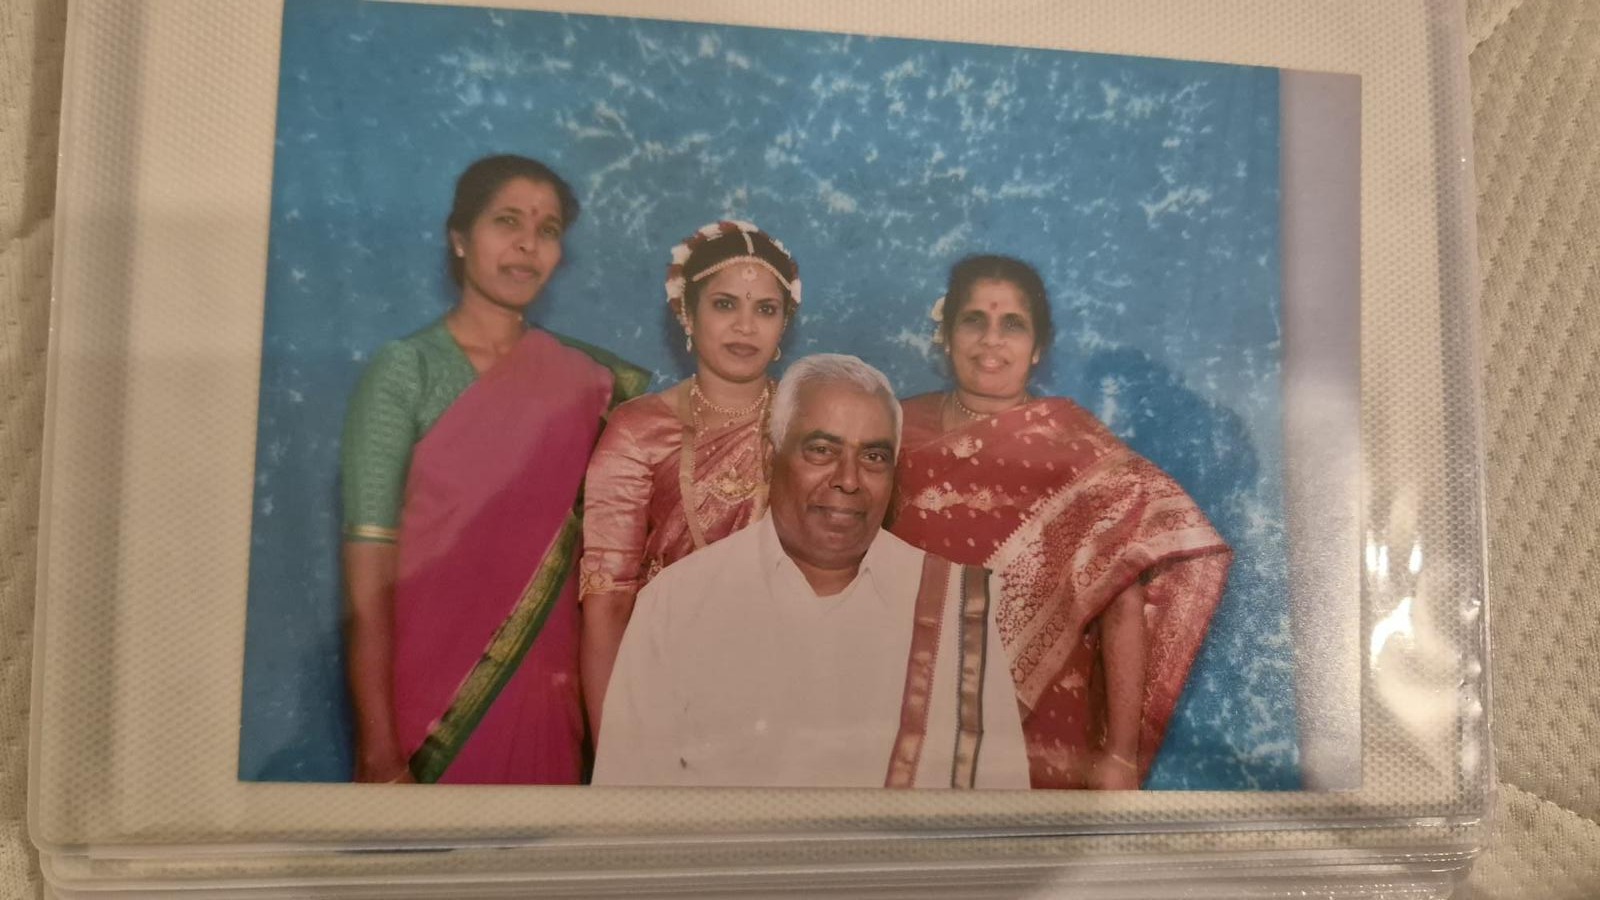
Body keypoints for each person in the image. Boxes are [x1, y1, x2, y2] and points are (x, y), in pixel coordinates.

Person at [340, 154, 648, 784]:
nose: (527, 244)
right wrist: (377, 747)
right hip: (424, 705)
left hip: (545, 691)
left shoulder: (587, 384)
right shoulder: (406, 371)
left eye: (548, 229)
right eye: (507, 221)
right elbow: (367, 585)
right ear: (459, 238)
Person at [592, 355, 1030, 789]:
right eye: (821, 450)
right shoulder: (677, 603)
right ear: (771, 458)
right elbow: (628, 807)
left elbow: (1002, 813)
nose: (848, 480)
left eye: (874, 456)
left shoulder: (955, 608)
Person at [891, 255, 1233, 790]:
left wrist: (1118, 755)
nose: (991, 340)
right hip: (907, 701)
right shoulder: (895, 431)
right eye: (974, 319)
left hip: (1043, 722)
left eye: (1012, 324)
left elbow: (1122, 601)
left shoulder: (1078, 450)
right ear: (947, 334)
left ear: (1037, 348)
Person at [578, 220, 801, 741]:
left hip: (796, 689)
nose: (745, 326)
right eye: (725, 304)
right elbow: (607, 601)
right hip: (668, 690)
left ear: (783, 325)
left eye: (765, 309)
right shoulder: (638, 431)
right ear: (686, 312)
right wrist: (617, 754)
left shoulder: (809, 423)